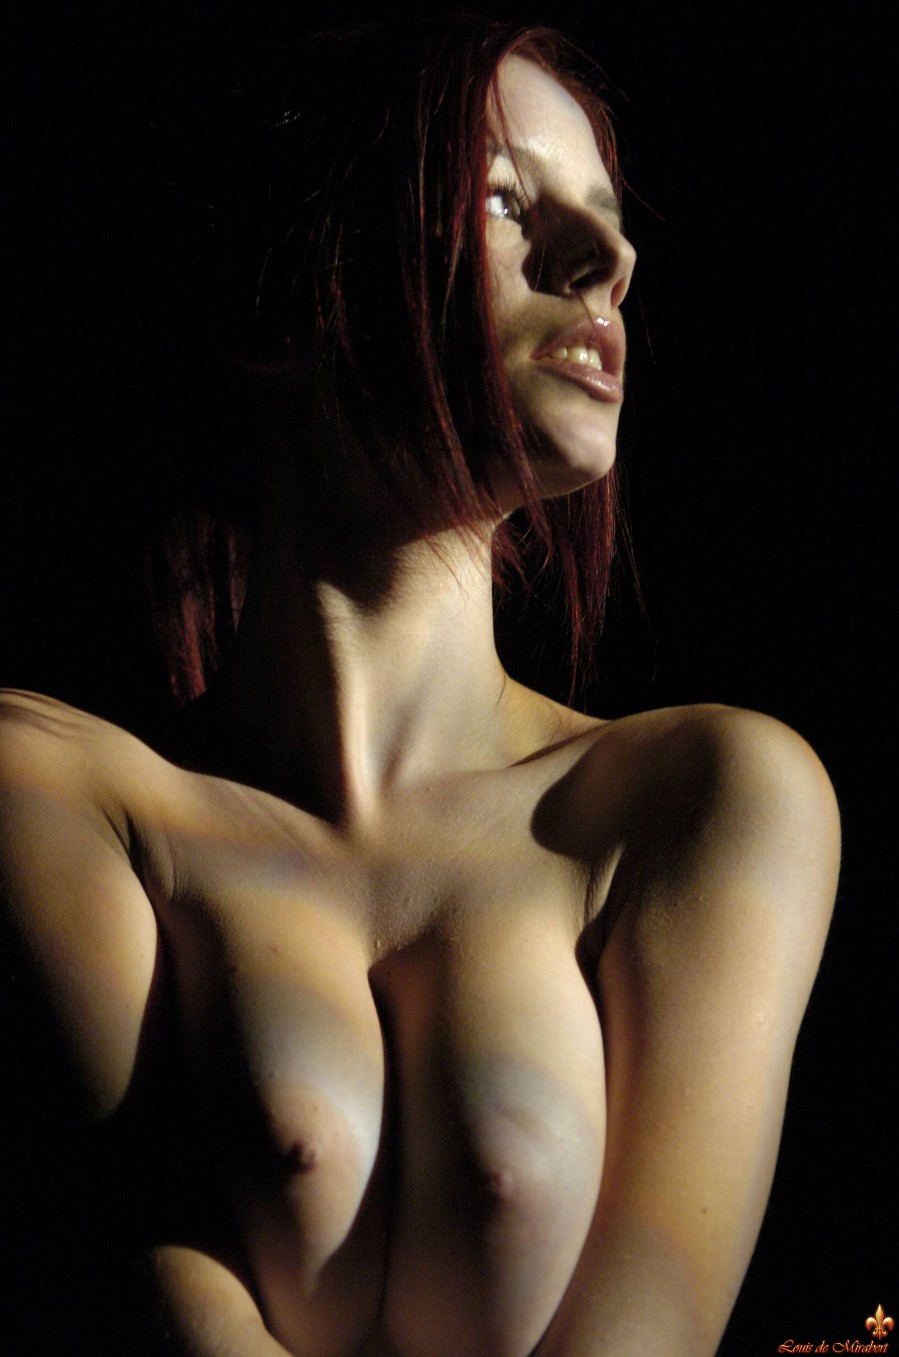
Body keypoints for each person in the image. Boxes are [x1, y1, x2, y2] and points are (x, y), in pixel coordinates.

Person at [0, 18, 839, 1357]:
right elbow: (145, 1299)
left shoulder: (704, 797)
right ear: (278, 299)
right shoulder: (52, 793)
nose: (610, 259)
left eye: (609, 218)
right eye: (503, 198)